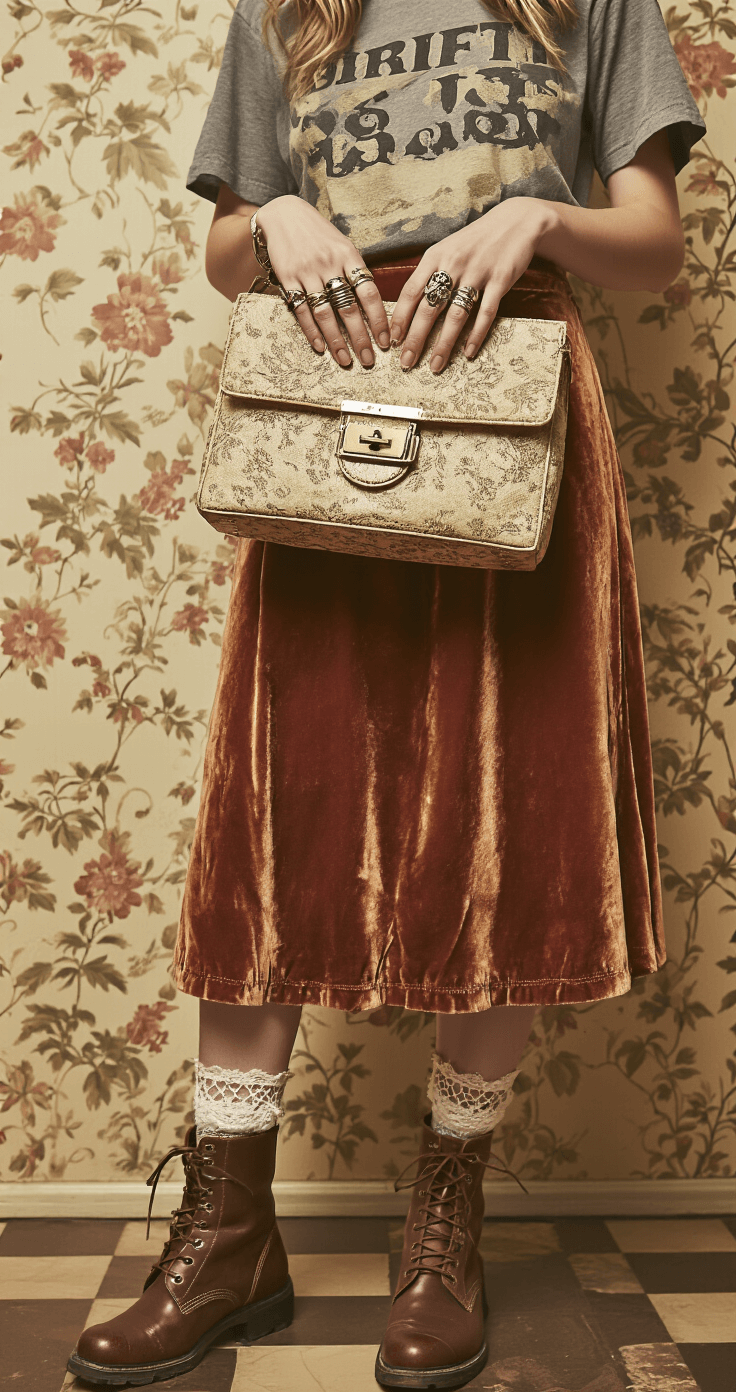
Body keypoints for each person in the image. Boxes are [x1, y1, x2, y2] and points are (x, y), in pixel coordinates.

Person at [66, 1, 705, 1388]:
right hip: (322, 408)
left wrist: (538, 223)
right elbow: (231, 250)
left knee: (520, 804)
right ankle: (229, 1227)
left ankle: (444, 1223)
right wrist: (275, 221)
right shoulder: (283, 9)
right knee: (275, 801)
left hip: (519, 414)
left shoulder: (592, 3)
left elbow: (654, 244)